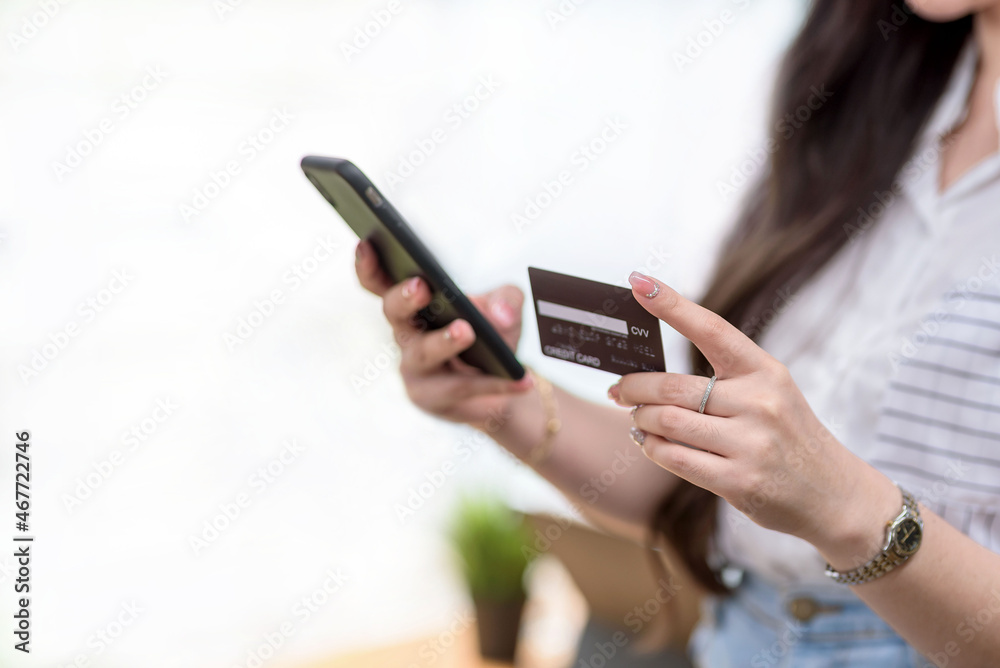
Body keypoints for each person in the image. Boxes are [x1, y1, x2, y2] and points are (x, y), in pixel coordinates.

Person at [355, 0, 1000, 665]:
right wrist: (505, 399)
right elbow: (703, 501)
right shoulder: (870, 85)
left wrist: (845, 505)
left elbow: (823, 497)